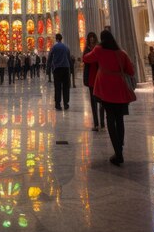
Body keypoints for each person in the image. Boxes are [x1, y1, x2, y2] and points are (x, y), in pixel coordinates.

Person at [83, 30, 136, 166]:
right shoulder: (122, 53)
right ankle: (120, 148)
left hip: (106, 89)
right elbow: (131, 71)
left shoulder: (100, 50)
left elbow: (86, 58)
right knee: (120, 119)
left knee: (110, 119)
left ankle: (118, 153)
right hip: (120, 89)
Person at [82, 32, 105, 131]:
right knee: (93, 100)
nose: (91, 39)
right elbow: (85, 59)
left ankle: (102, 123)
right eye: (90, 37)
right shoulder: (87, 49)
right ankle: (96, 123)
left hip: (99, 76)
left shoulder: (98, 47)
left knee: (102, 101)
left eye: (93, 37)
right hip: (91, 77)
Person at [48, 33, 71, 110]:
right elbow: (69, 58)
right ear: (61, 38)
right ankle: (66, 104)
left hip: (57, 69)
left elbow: (50, 57)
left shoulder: (54, 47)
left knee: (57, 87)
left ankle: (58, 104)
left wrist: (48, 69)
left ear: (56, 39)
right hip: (65, 68)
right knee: (66, 87)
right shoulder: (66, 47)